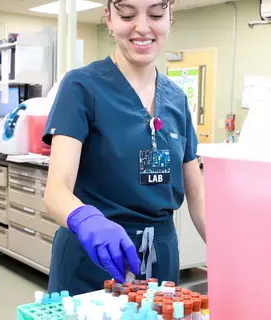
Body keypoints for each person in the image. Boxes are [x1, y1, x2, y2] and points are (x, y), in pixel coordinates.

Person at [42, 0, 206, 296]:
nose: (142, 27)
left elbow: (197, 194)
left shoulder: (177, 99)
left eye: (155, 14)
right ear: (108, 17)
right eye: (127, 14)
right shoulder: (81, 87)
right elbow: (56, 191)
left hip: (161, 260)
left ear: (170, 16)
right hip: (94, 257)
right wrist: (88, 221)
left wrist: (229, 252)